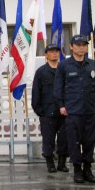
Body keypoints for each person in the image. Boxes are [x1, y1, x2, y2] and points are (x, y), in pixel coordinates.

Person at [54, 35, 95, 184]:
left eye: (84, 45)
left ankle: (87, 169)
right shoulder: (64, 66)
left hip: (90, 109)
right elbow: (59, 87)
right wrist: (61, 105)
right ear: (71, 47)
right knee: (74, 141)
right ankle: (77, 169)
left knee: (89, 140)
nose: (81, 47)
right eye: (78, 45)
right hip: (72, 110)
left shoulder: (93, 65)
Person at [31, 44, 69, 173]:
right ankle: (50, 163)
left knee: (64, 139)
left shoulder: (64, 70)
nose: (55, 54)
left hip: (64, 111)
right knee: (48, 139)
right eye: (51, 52)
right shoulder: (41, 72)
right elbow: (36, 92)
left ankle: (62, 163)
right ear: (46, 55)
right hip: (48, 112)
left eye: (57, 52)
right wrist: (39, 110)